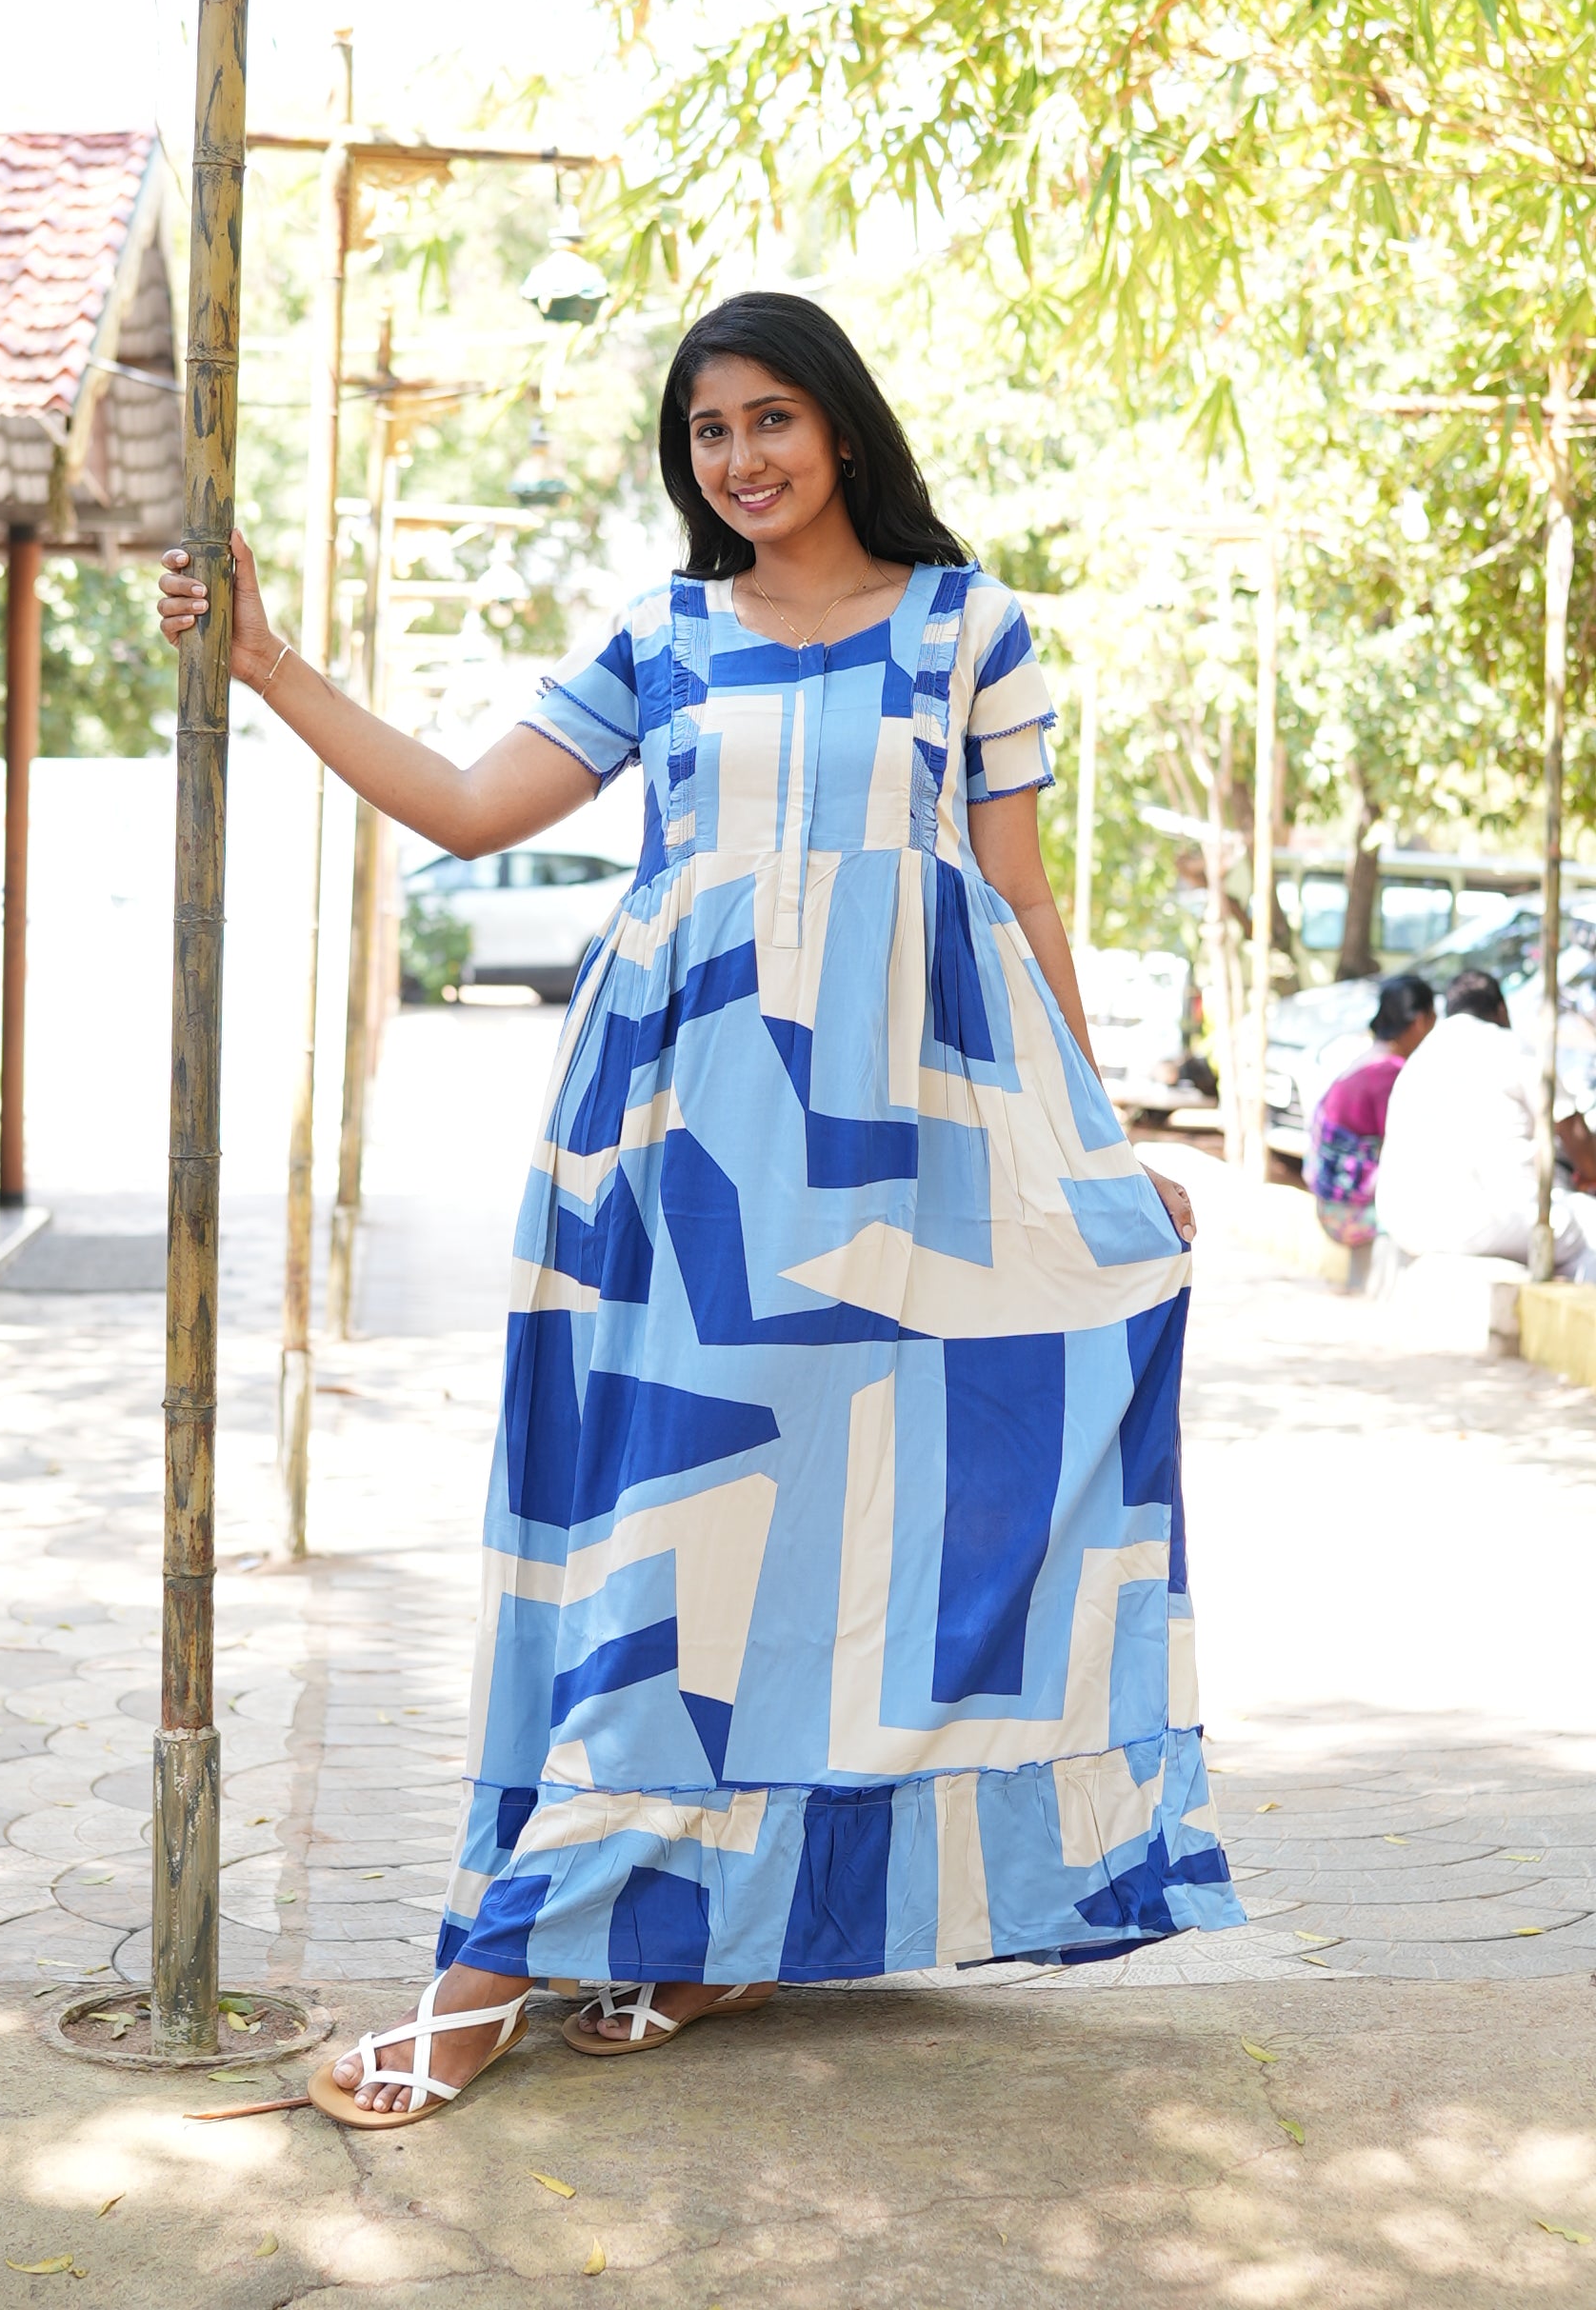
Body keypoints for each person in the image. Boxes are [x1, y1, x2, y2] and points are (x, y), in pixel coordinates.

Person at [159, 290, 1241, 2127]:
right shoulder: (663, 638)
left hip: (908, 1161)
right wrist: (268, 664)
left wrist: (1097, 1132)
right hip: (679, 1159)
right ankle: (503, 1959)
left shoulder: (966, 629)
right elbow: (468, 807)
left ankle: (714, 1932)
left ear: (840, 425)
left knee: (851, 1540)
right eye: (707, 431)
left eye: (768, 419)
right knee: (663, 1537)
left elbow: (1019, 898)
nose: (738, 458)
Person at [1373, 966, 1596, 1277]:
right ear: (1501, 1010)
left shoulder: (1421, 1056)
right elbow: (1576, 1138)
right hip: (1478, 1219)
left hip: (1403, 1219)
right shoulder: (1511, 1045)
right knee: (1588, 1226)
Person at [1305, 973, 1436, 1251]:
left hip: (1328, 1206)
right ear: (1420, 1021)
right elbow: (1407, 1152)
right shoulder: (1389, 1073)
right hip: (1350, 1217)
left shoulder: (1365, 1060)